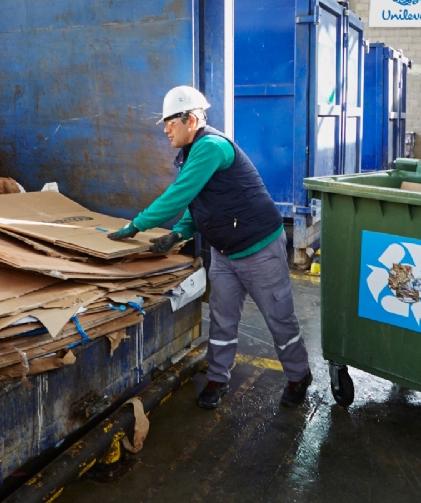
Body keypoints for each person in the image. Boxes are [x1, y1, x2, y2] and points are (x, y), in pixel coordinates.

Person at [107, 85, 312, 409]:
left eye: (169, 123)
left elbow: (178, 194)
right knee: (222, 318)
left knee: (279, 319)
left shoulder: (212, 146)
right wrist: (179, 234)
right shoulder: (192, 154)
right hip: (225, 252)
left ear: (190, 119)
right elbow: (198, 200)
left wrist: (136, 226)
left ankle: (299, 375)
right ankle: (217, 378)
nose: (165, 130)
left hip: (259, 249)